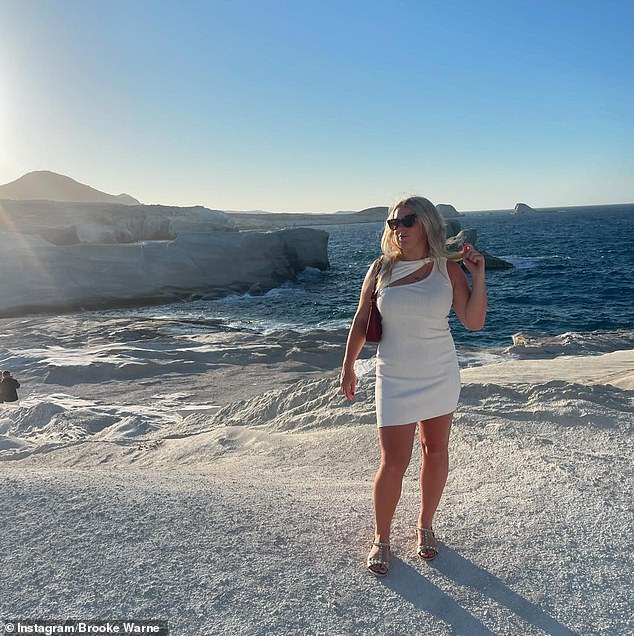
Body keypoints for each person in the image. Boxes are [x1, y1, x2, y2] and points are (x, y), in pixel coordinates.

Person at [340, 196, 487, 576]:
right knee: (393, 462)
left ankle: (425, 527)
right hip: (394, 375)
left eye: (407, 220)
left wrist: (478, 275)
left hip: (440, 372)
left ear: (425, 222)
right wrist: (348, 365)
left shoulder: (446, 268)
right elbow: (361, 319)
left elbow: (472, 321)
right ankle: (381, 538)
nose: (399, 228)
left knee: (435, 451)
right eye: (393, 223)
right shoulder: (380, 269)